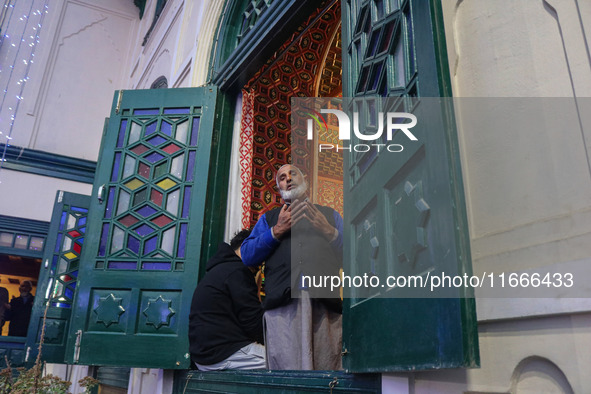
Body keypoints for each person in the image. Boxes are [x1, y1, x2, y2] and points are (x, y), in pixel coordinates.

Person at [241, 164, 343, 370]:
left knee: (327, 369)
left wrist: (329, 231)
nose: (288, 178)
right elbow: (247, 255)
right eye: (282, 177)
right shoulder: (268, 220)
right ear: (278, 188)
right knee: (287, 372)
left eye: (293, 173)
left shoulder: (330, 216)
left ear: (304, 180)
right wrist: (277, 230)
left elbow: (354, 257)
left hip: (325, 308)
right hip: (282, 310)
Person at [189, 229, 266, 370]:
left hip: (205, 356)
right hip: (222, 353)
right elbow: (253, 323)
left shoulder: (221, 269)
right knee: (287, 359)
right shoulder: (237, 271)